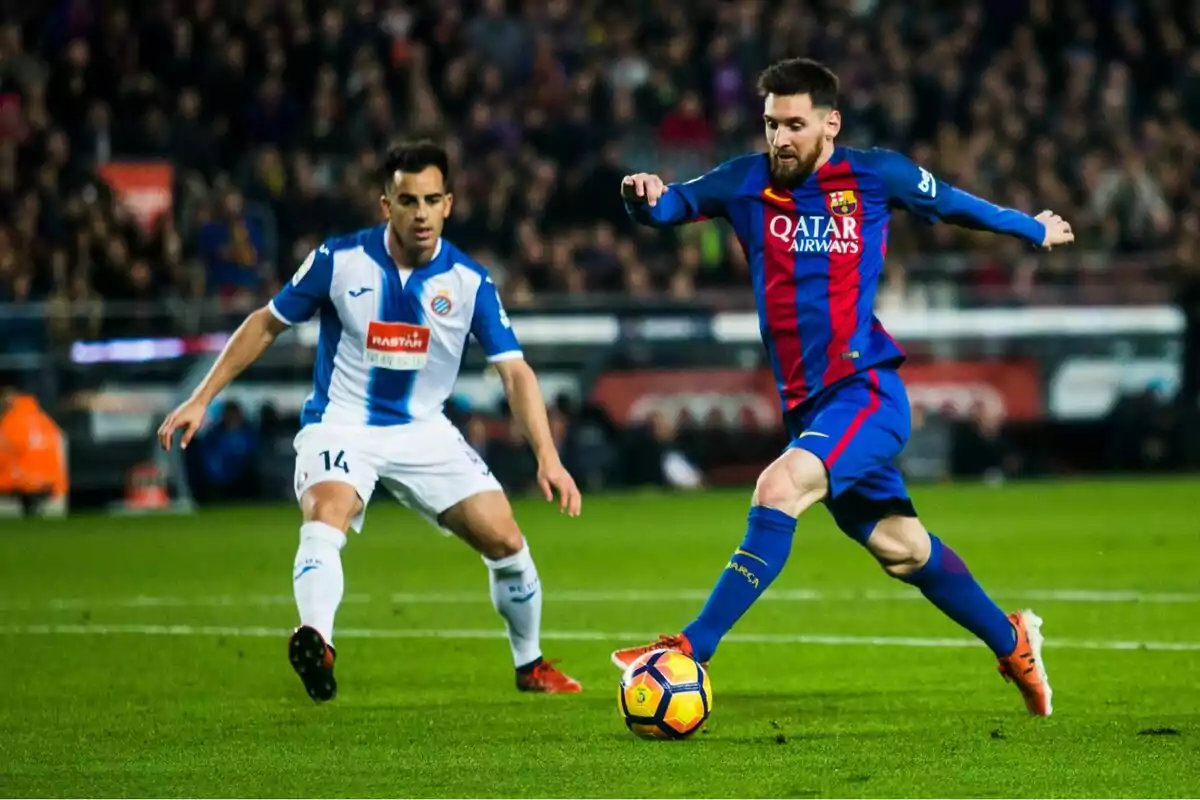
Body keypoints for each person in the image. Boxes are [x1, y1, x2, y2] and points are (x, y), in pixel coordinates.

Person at [611, 59, 1074, 717]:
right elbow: (669, 206)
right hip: (809, 407)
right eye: (771, 124)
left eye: (795, 125)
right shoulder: (743, 182)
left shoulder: (875, 174)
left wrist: (1031, 228)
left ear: (830, 123)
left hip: (866, 391)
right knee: (902, 549)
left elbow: (952, 203)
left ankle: (688, 649)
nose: (780, 139)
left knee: (778, 487)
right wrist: (641, 195)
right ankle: (1013, 639)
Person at [159, 140, 584, 701]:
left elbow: (516, 374)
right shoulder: (337, 262)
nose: (422, 212)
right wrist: (202, 396)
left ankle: (529, 665)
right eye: (408, 200)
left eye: (433, 199)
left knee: (506, 541)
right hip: (342, 424)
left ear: (450, 204)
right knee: (327, 511)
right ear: (387, 205)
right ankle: (317, 640)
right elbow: (266, 323)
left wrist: (548, 457)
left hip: (424, 430)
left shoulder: (470, 282)